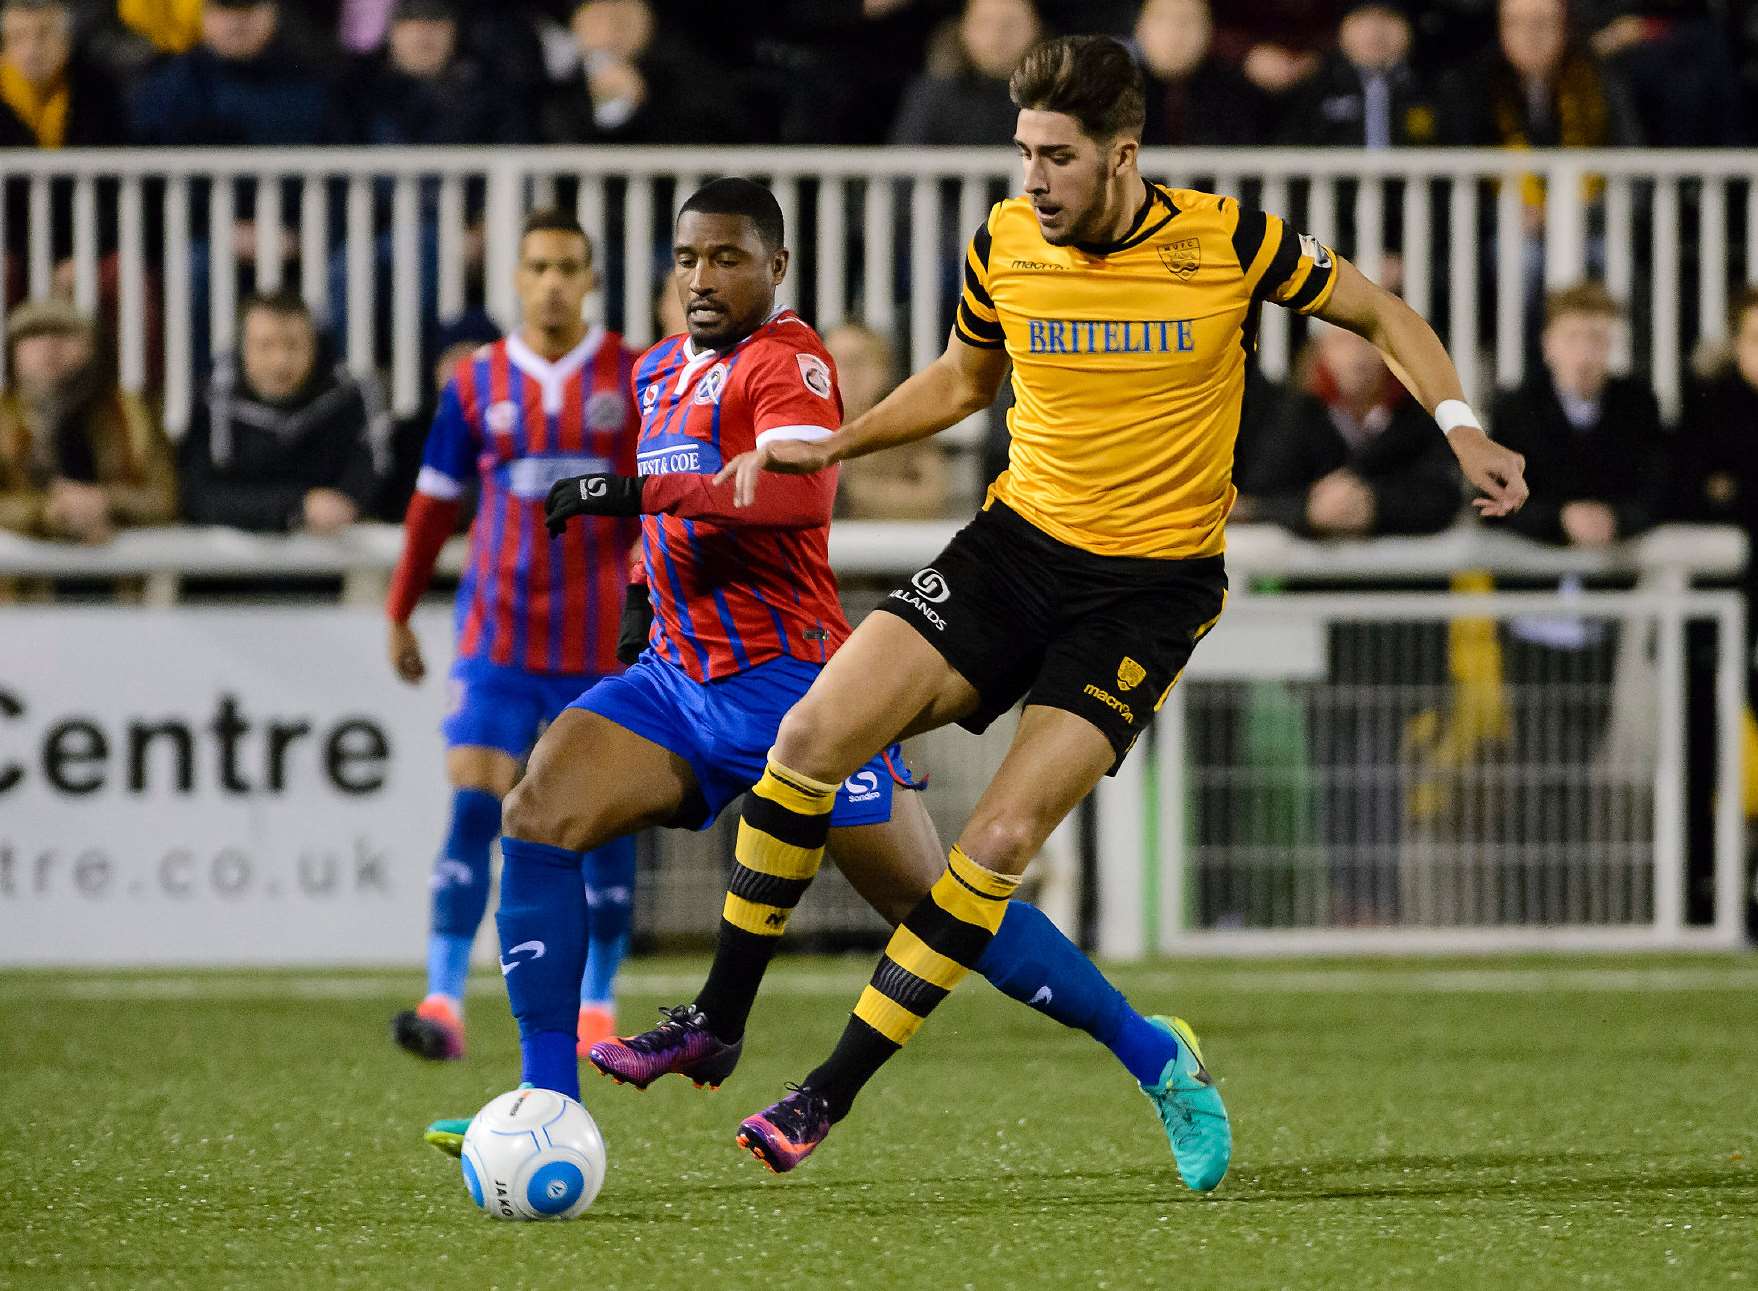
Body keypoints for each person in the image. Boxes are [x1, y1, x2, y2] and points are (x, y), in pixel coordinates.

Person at [697, 34, 1527, 1180]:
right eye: (1023, 151)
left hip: (1148, 591)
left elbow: (1383, 313)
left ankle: (825, 1093)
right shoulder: (1004, 241)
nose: (1031, 180)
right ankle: (717, 1022)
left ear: (1122, 154)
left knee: (993, 840)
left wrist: (1462, 425)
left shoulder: (1226, 238)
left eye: (1056, 157)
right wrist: (832, 442)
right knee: (806, 739)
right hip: (1013, 550)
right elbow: (961, 379)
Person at [421, 179, 1207, 1176]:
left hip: (795, 690)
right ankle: (550, 1103)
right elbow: (671, 519)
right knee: (535, 815)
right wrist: (634, 590)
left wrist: (631, 491)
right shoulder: (664, 369)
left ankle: (1154, 1053)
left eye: (728, 258)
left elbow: (792, 494)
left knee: (939, 910)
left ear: (776, 268)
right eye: (688, 258)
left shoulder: (789, 364)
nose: (703, 278)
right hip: (675, 680)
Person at [384, 210, 643, 1062]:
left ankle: (599, 1005)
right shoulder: (475, 382)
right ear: (517, 279)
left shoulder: (634, 376)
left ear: (592, 278)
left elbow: (662, 502)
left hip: (599, 644)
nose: (554, 282)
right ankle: (443, 1000)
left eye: (569, 265)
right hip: (497, 634)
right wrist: (399, 609)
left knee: (600, 826)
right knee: (472, 807)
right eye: (538, 267)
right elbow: (432, 504)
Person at [177, 291, 390, 532]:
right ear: (242, 349)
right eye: (265, 346)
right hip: (226, 565)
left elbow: (374, 479)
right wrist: (296, 505)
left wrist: (343, 503)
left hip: (324, 562)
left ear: (315, 346)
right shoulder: (210, 401)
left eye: (294, 345)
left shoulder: (350, 397)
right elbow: (197, 496)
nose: (281, 361)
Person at [1234, 323, 1460, 538]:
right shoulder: (1298, 414)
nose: (1357, 358)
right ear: (1322, 350)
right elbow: (1261, 496)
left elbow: (1443, 493)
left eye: (1369, 342)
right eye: (1343, 342)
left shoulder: (1421, 415)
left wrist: (1374, 505)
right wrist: (1309, 511)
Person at [0, 297, 176, 540]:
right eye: (33, 335)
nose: (49, 346)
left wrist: (107, 501)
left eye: (64, 334)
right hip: (20, 575)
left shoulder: (132, 413)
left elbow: (165, 498)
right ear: (13, 351)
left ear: (92, 347)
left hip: (114, 571)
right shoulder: (4, 418)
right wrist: (45, 512)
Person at [825, 322, 947, 521]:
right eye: (834, 360)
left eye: (858, 361)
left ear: (884, 370)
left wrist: (849, 491)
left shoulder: (911, 427)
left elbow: (933, 499)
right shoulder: (800, 427)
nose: (847, 373)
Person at [889, 0, 1041, 146]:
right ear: (963, 28)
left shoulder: (1055, 97)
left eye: (1011, 25)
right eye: (984, 23)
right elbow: (904, 162)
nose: (996, 36)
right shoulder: (931, 96)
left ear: (1035, 28)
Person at [1133, 0, 1267, 148]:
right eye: (1161, 18)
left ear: (1209, 31)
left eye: (1188, 21)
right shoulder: (1115, 94)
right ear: (1140, 28)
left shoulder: (1238, 95)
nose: (1175, 34)